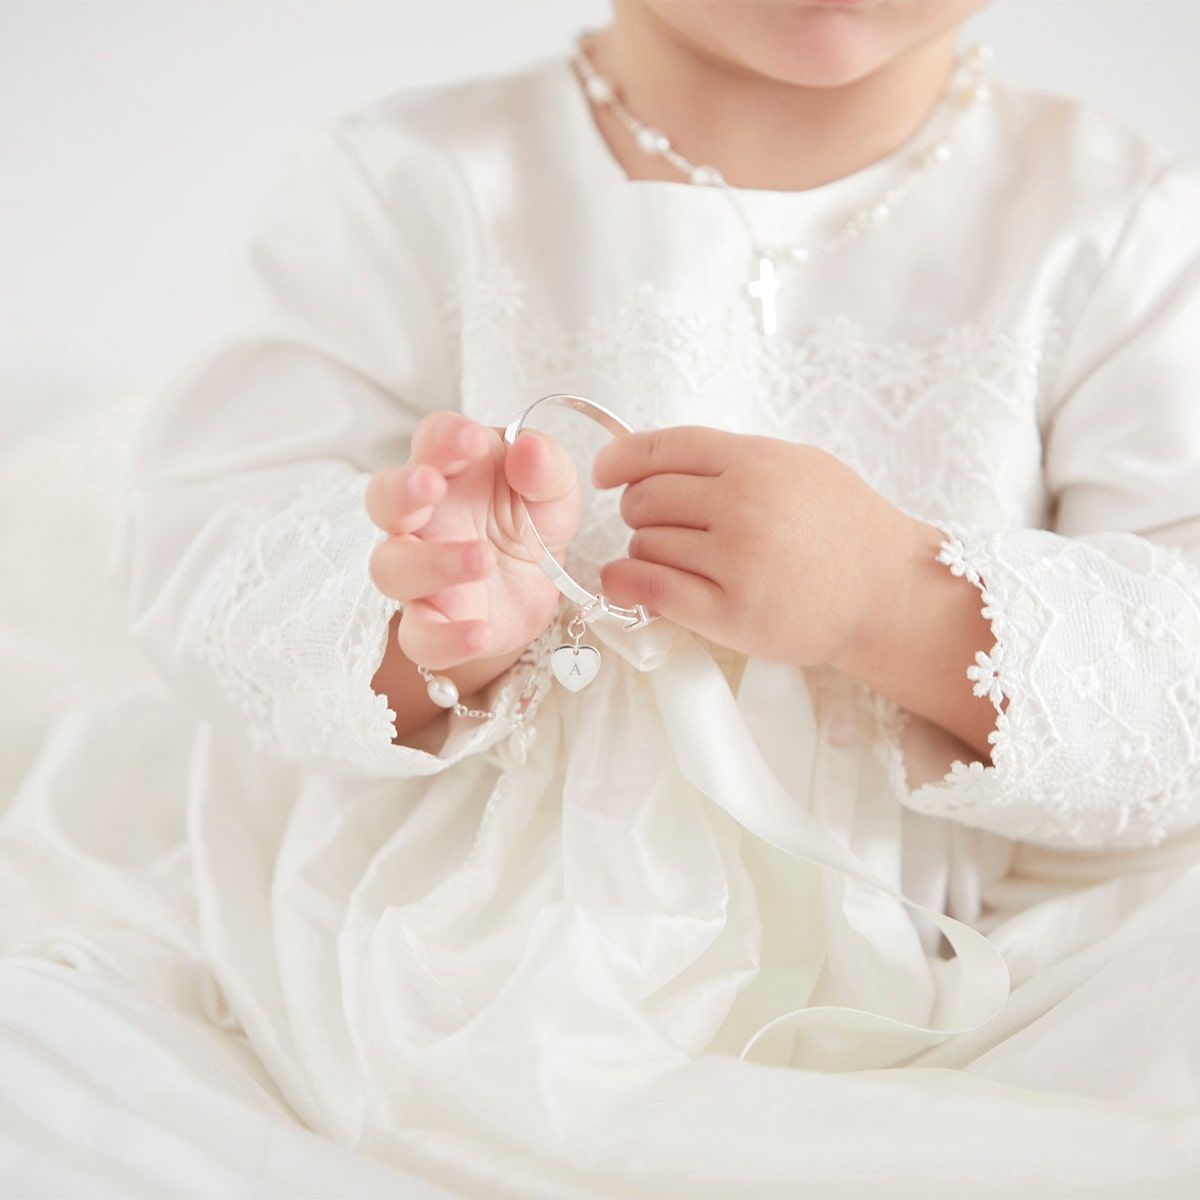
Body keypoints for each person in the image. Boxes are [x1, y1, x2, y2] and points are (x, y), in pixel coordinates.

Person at [4, 0, 1200, 1194]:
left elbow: (1178, 667)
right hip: (466, 947)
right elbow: (207, 547)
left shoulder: (1110, 220)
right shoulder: (411, 182)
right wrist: (433, 617)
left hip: (968, 944)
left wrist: (891, 599)